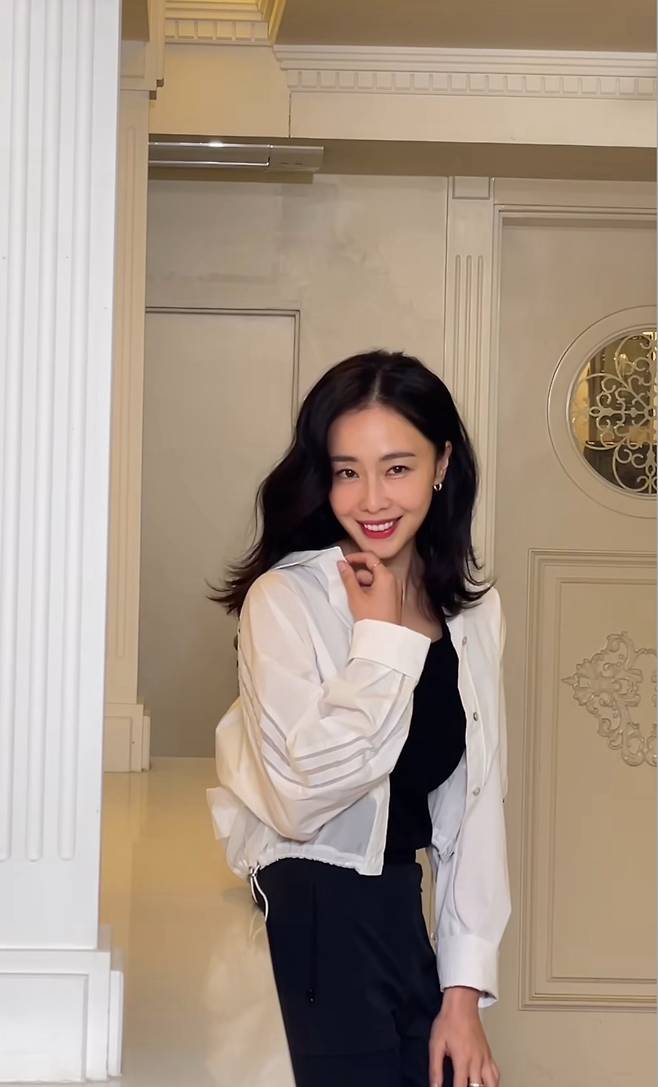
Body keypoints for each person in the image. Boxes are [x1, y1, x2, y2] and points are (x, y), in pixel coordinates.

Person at [207, 350, 511, 1087]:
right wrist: (380, 640)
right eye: (348, 471)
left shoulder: (472, 614)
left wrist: (463, 994)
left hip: (401, 913)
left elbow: (475, 806)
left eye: (397, 468)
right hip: (312, 919)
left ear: (442, 464)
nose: (371, 498)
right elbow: (300, 796)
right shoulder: (287, 599)